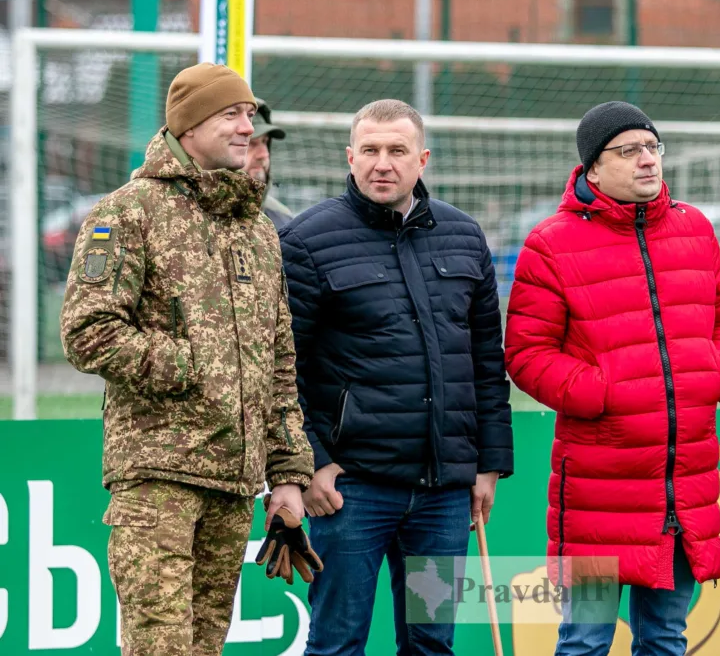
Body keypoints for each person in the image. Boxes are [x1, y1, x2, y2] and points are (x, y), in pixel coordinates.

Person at [59, 63, 315, 656]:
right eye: (232, 113)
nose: (247, 127)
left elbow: (278, 360)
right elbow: (86, 331)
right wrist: (189, 364)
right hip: (158, 479)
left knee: (203, 648)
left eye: (249, 114)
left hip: (232, 483)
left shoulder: (256, 229)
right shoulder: (126, 213)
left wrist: (288, 475)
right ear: (190, 124)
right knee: (160, 648)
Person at [504, 101, 720, 656]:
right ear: (592, 168)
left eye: (652, 147)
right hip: (596, 489)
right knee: (584, 643)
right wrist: (605, 393)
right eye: (628, 150)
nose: (646, 160)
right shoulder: (550, 243)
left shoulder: (695, 228)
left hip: (682, 491)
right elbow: (526, 353)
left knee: (665, 639)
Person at [279, 98, 514, 655]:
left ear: (422, 159)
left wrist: (489, 464)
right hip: (351, 491)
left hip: (444, 493)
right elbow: (281, 367)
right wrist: (311, 462)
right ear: (351, 157)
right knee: (338, 644)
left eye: (397, 150)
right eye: (371, 150)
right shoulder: (306, 241)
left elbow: (486, 359)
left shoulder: (464, 236)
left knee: (432, 645)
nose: (383, 163)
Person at [242, 97, 294, 229]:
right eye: (252, 143)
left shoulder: (282, 219)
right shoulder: (194, 213)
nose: (263, 154)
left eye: (265, 142)